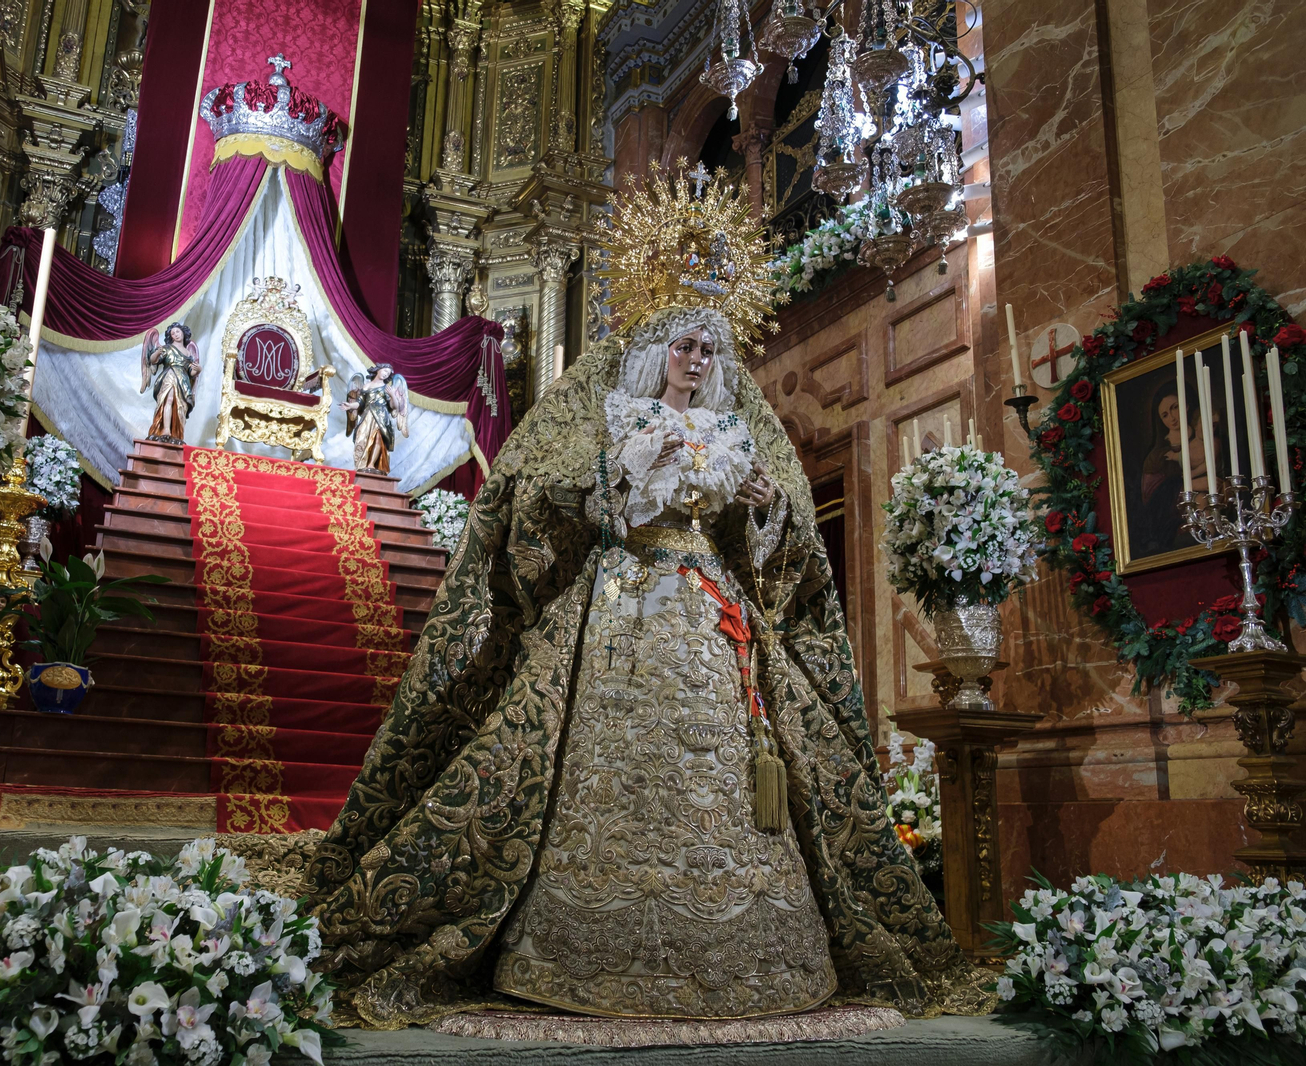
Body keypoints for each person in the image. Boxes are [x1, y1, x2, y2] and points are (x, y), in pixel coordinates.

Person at [306, 171, 989, 1028]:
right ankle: (582, 940)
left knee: (737, 759)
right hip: (625, 604)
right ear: (656, 349)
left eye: (709, 351)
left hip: (711, 613)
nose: (698, 363)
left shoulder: (737, 428)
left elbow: (776, 544)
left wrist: (767, 514)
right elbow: (569, 498)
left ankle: (749, 948)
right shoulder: (620, 417)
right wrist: (625, 487)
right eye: (685, 348)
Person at [1134, 379, 1199, 556]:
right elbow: (1151, 496)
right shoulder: (1157, 456)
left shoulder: (1204, 439)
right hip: (1172, 513)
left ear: (1186, 405)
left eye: (1175, 407)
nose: (1171, 417)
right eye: (1164, 415)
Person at [140, 322, 200, 444]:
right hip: (170, 375)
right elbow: (153, 360)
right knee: (169, 399)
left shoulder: (188, 353)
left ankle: (176, 433)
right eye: (173, 333)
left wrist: (198, 370)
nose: (176, 334)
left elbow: (191, 372)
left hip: (183, 380)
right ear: (170, 337)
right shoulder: (167, 348)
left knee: (180, 406)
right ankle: (166, 429)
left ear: (183, 332)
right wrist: (157, 352)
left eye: (177, 331)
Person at [341, 364, 408, 473]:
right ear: (378, 370)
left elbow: (394, 406)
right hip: (367, 416)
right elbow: (360, 403)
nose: (386, 374)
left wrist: (392, 395)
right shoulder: (366, 386)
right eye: (385, 371)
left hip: (381, 417)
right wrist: (349, 405)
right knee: (362, 438)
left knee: (378, 438)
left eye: (388, 373)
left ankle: (371, 464)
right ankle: (361, 464)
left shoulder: (386, 388)